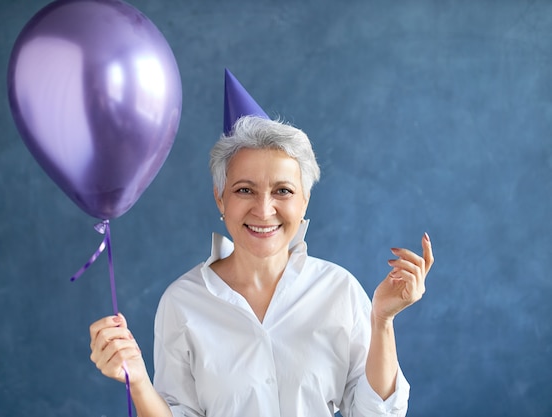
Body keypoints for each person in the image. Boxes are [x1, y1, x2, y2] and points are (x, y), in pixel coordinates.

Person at [88, 70, 434, 417]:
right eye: (244, 190)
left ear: (304, 203)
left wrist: (382, 321)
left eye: (283, 191)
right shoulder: (182, 302)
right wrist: (138, 383)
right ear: (220, 199)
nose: (264, 210)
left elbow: (375, 414)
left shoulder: (339, 291)